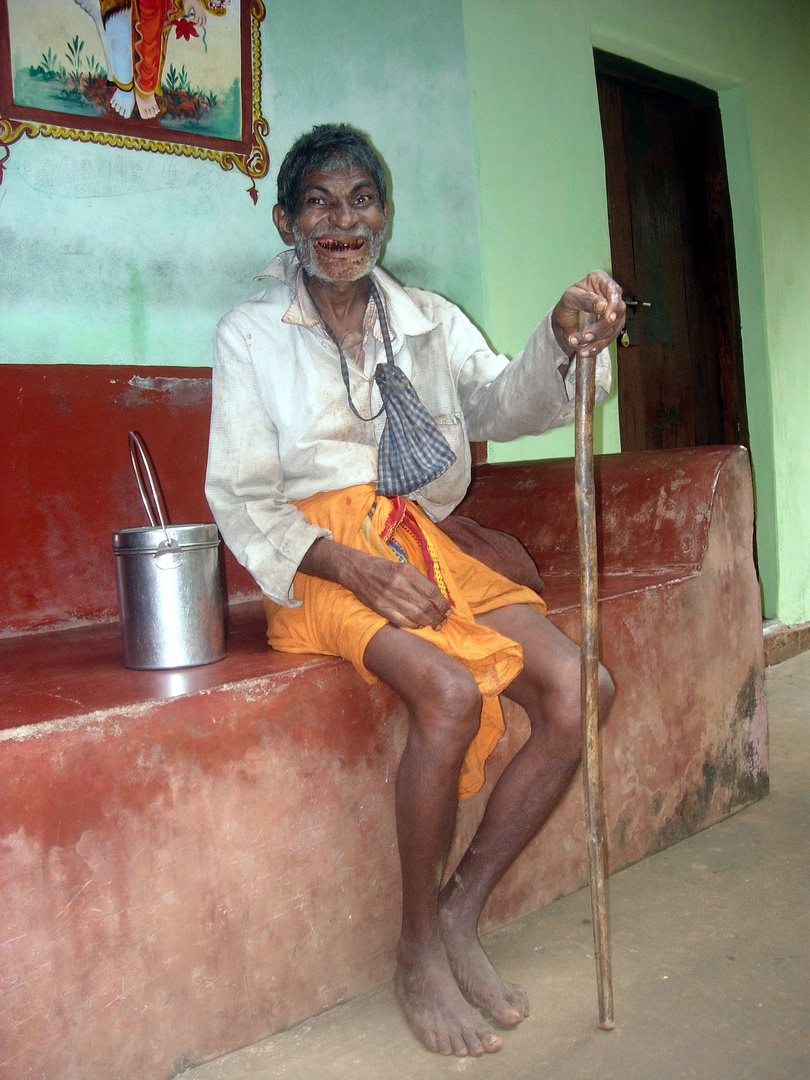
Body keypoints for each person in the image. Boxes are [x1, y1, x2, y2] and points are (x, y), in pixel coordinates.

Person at [206, 123, 625, 1058]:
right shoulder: (251, 333)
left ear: (384, 216)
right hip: (317, 560)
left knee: (580, 689)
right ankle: (412, 949)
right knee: (444, 690)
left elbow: (504, 405)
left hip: (419, 542)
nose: (341, 219)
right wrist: (353, 566)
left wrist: (562, 340)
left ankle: (458, 910)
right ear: (286, 220)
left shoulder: (428, 319)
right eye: (318, 202)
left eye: (361, 200)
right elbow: (240, 494)